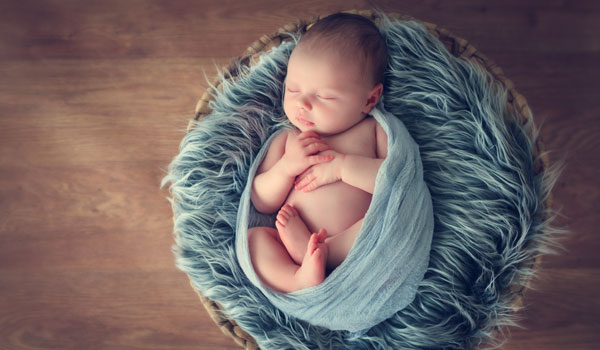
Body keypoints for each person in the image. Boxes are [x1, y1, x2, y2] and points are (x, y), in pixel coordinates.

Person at [247, 13, 389, 293]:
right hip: (289, 246)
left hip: (355, 247)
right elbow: (260, 201)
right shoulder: (289, 140)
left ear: (369, 99)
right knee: (255, 241)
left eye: (323, 96)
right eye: (293, 89)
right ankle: (297, 278)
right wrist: (286, 168)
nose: (302, 104)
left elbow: (395, 183)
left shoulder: (373, 131)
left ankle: (324, 252)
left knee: (378, 224)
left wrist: (343, 167)